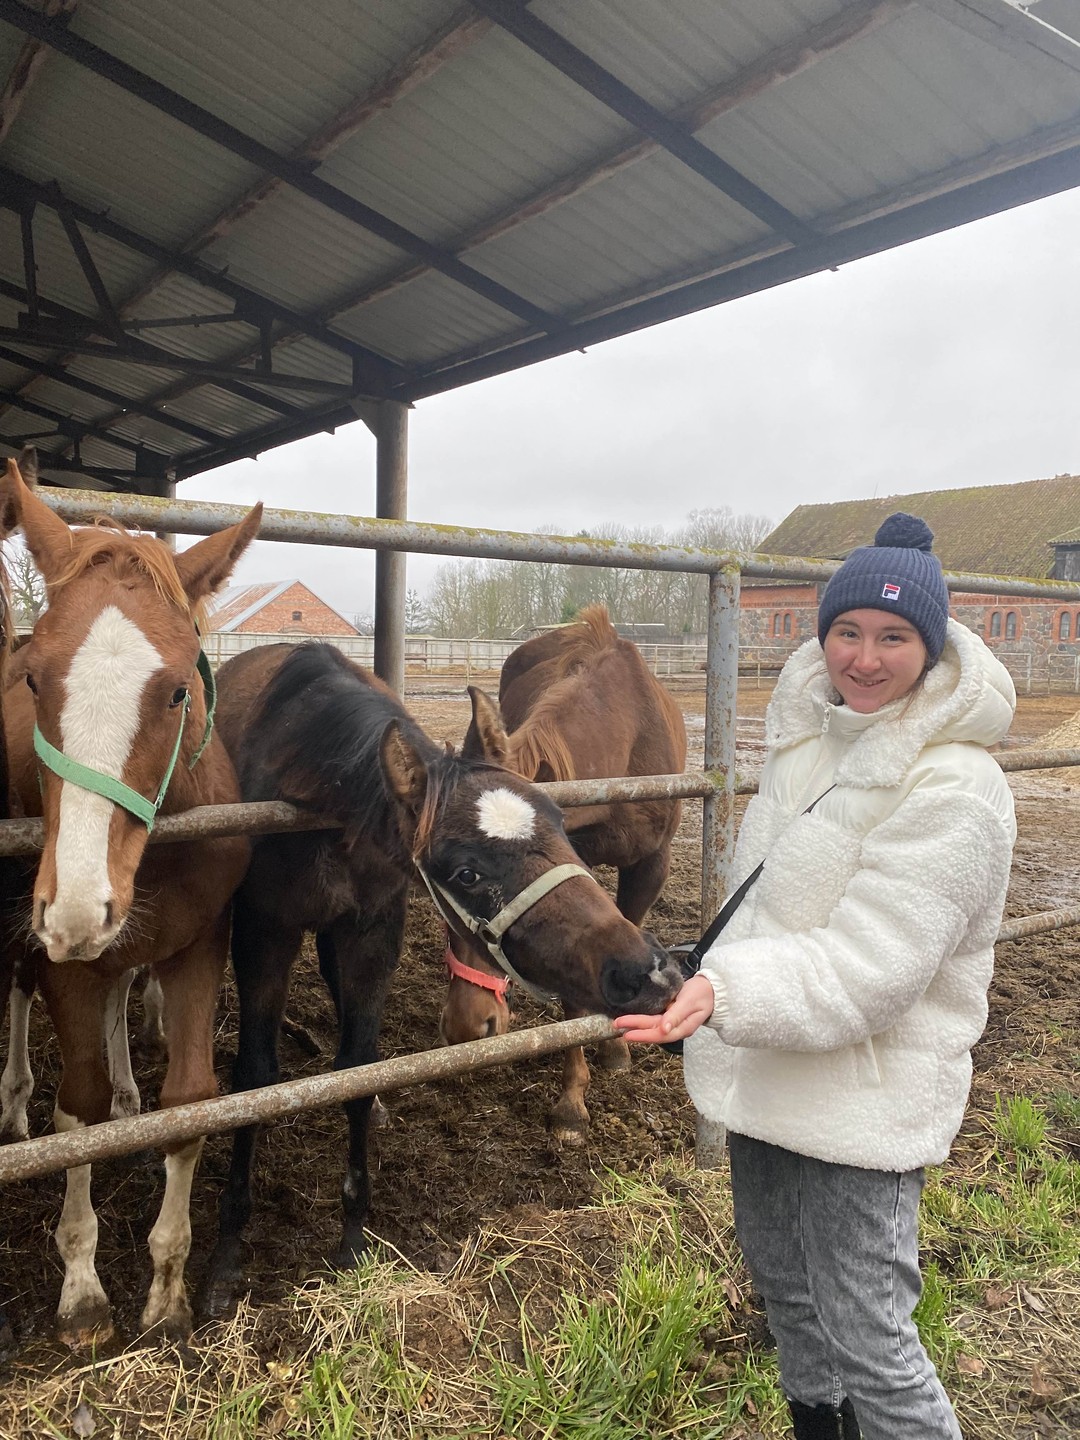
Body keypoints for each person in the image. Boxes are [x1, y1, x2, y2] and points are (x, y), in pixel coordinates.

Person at [617, 513, 1017, 1440]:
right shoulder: (813, 747)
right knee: (792, 1303)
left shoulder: (956, 788)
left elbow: (873, 966)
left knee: (871, 1337)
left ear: (933, 646)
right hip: (770, 1073)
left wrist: (724, 993)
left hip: (864, 1101)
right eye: (846, 632)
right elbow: (767, 910)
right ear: (822, 634)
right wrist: (697, 971)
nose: (864, 659)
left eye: (892, 637)